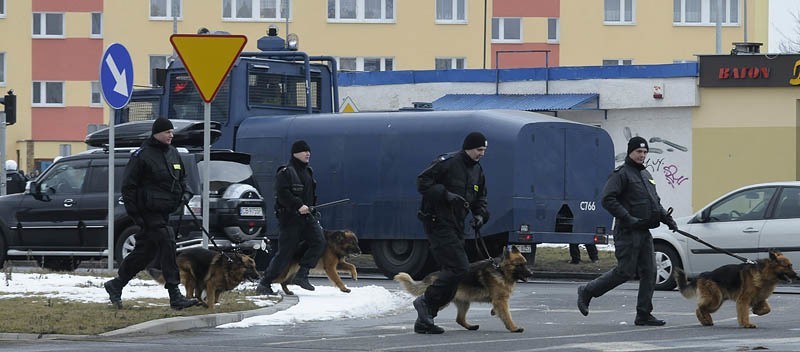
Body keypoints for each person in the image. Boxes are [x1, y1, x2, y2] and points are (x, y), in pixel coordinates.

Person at [577, 136, 677, 326]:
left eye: (645, 152)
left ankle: (644, 314)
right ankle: (588, 291)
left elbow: (655, 202)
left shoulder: (646, 174)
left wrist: (666, 218)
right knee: (625, 272)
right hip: (627, 232)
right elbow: (608, 199)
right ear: (631, 152)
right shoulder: (621, 174)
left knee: (650, 272)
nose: (642, 155)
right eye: (639, 152)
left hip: (644, 231)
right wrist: (627, 218)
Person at [104, 117, 198, 310]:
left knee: (144, 253)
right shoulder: (142, 155)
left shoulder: (173, 153)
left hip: (165, 211)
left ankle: (116, 284)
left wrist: (186, 194)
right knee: (167, 241)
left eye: (172, 132)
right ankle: (175, 295)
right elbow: (128, 187)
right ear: (156, 134)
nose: (171, 135)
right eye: (167, 132)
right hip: (147, 212)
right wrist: (136, 215)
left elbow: (182, 179)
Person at [413, 131, 490, 334]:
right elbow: (423, 182)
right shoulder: (447, 163)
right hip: (438, 223)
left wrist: (480, 215)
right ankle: (425, 302)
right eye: (478, 149)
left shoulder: (477, 171)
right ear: (468, 147)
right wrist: (445, 195)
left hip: (457, 226)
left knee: (455, 272)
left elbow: (480, 198)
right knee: (459, 268)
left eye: (484, 150)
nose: (482, 153)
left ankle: (425, 318)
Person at [255, 140, 325, 295]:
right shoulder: (286, 172)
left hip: (307, 219)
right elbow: (282, 194)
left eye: (309, 151)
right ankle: (264, 283)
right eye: (304, 151)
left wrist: (311, 209)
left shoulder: (308, 172)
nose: (308, 154)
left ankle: (302, 275)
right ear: (295, 153)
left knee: (319, 242)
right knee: (285, 253)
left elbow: (311, 196)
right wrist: (299, 205)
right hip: (290, 220)